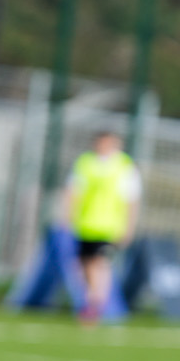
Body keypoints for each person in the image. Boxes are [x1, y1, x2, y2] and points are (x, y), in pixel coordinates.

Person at [65, 129, 141, 324]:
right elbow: (74, 191)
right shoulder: (85, 163)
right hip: (85, 225)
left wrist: (129, 227)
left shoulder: (124, 166)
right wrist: (69, 216)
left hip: (109, 227)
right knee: (83, 265)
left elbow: (132, 200)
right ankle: (92, 300)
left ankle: (94, 304)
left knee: (100, 264)